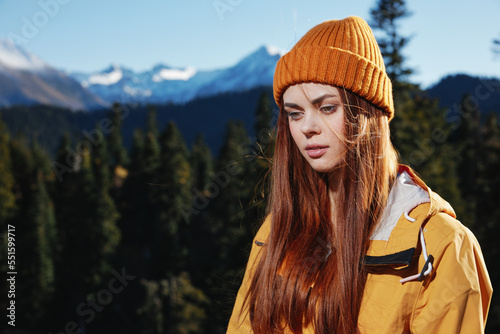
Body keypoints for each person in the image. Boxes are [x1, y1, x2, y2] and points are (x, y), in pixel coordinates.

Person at [227, 16, 493, 333]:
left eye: (327, 108)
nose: (306, 127)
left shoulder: (441, 245)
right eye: (294, 113)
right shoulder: (277, 231)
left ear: (367, 113)